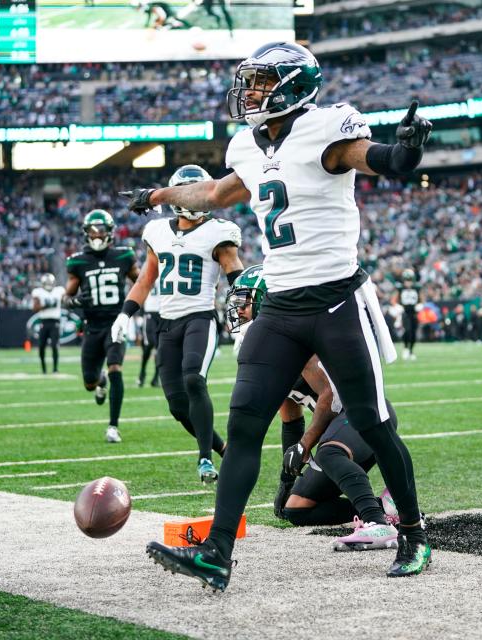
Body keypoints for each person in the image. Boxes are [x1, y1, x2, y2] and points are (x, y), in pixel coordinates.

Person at [123, 42, 433, 590]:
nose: (251, 92)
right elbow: (217, 192)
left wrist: (406, 152)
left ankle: (411, 531)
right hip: (282, 303)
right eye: (252, 82)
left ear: (293, 85)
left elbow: (377, 158)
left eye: (263, 82)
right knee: (244, 425)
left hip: (337, 298)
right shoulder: (246, 143)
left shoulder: (326, 128)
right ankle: (218, 553)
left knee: (373, 422)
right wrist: (158, 193)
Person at [226, 266, 401, 551]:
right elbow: (290, 411)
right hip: (341, 423)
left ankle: (376, 523)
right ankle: (387, 508)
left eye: (245, 301)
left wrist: (306, 444)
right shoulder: (268, 344)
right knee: (294, 509)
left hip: (363, 414)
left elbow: (332, 394)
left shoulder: (295, 337)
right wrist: (288, 474)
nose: (239, 309)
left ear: (263, 300)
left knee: (329, 453)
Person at [112, 164, 244, 483]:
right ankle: (223, 450)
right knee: (177, 406)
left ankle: (204, 460)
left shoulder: (219, 232)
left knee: (195, 381)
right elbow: (145, 279)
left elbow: (236, 277)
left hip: (199, 317)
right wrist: (124, 313)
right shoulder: (157, 231)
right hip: (166, 324)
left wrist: (243, 319)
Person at [65, 210, 139, 444]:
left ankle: (113, 426)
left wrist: (130, 309)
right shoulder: (78, 261)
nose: (97, 235)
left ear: (110, 232)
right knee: (89, 382)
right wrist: (75, 301)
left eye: (101, 230)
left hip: (116, 322)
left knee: (115, 366)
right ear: (85, 233)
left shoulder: (124, 255)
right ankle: (100, 381)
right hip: (92, 326)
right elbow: (67, 297)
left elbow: (140, 282)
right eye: (92, 231)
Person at [32, 273, 64, 374]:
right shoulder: (38, 292)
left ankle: (55, 369)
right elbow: (35, 308)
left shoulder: (59, 290)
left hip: (55, 321)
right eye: (47, 282)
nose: (49, 284)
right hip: (44, 322)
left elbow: (66, 300)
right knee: (41, 346)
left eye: (50, 282)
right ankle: (44, 369)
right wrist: (45, 305)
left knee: (55, 345)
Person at [136, 286, 161, 388]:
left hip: (163, 314)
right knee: (149, 345)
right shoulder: (149, 272)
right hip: (149, 313)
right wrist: (140, 314)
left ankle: (156, 378)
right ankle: (142, 373)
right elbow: (141, 292)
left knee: (160, 348)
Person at [398, 268, 420, 360]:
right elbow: (394, 300)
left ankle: (411, 351)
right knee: (408, 330)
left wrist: (420, 305)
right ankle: (406, 348)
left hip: (414, 313)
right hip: (405, 312)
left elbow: (422, 299)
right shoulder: (400, 289)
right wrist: (398, 307)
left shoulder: (417, 288)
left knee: (414, 332)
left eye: (410, 280)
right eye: (407, 280)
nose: (408, 282)